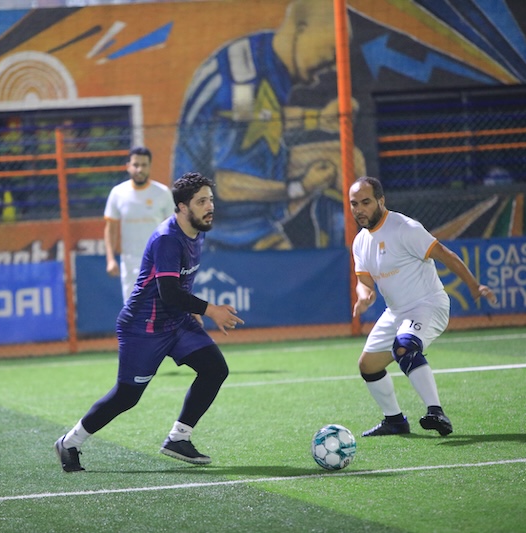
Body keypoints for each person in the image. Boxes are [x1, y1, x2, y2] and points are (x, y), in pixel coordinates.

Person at [56, 172, 245, 472]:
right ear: (182, 207)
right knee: (127, 396)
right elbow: (168, 292)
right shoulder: (168, 239)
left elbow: (179, 283)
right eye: (201, 202)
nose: (209, 206)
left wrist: (191, 307)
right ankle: (69, 442)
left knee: (214, 369)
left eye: (210, 200)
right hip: (143, 328)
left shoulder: (198, 230)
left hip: (176, 321)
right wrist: (210, 309)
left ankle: (178, 438)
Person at [172, 0, 365, 250]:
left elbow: (260, 116)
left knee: (344, 160)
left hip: (256, 174)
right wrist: (300, 187)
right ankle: (341, 263)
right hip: (223, 221)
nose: (334, 64)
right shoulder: (242, 83)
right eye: (331, 50)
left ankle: (349, 256)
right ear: (301, 28)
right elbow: (228, 184)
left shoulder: (264, 54)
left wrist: (317, 119)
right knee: (289, 270)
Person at [349, 176, 497, 437]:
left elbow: (445, 255)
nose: (359, 209)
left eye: (365, 202)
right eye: (354, 204)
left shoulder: (405, 228)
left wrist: (474, 286)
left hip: (427, 305)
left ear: (381, 201)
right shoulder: (360, 241)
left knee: (404, 346)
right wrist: (364, 296)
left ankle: (436, 412)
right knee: (368, 366)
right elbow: (364, 282)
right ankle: (395, 421)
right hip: (395, 312)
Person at [104, 146, 174, 301]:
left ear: (150, 167)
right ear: (128, 166)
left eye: (144, 165)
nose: (139, 169)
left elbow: (173, 229)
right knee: (133, 308)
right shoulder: (118, 193)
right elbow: (111, 228)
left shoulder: (163, 193)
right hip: (130, 262)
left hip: (158, 262)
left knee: (160, 307)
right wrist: (110, 259)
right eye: (136, 165)